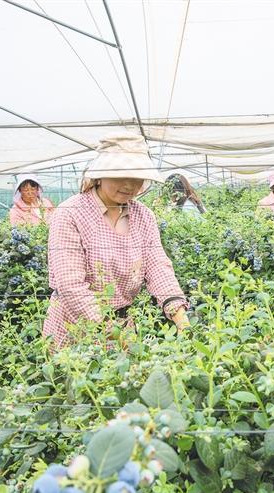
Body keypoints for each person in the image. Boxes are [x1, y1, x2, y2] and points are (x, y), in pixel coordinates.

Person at [43, 133, 190, 350]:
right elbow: (70, 285)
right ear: (100, 175)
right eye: (121, 175)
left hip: (123, 326)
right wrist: (115, 335)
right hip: (75, 329)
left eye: (137, 177)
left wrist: (181, 318)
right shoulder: (70, 214)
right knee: (78, 371)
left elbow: (158, 268)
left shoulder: (143, 216)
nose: (129, 185)